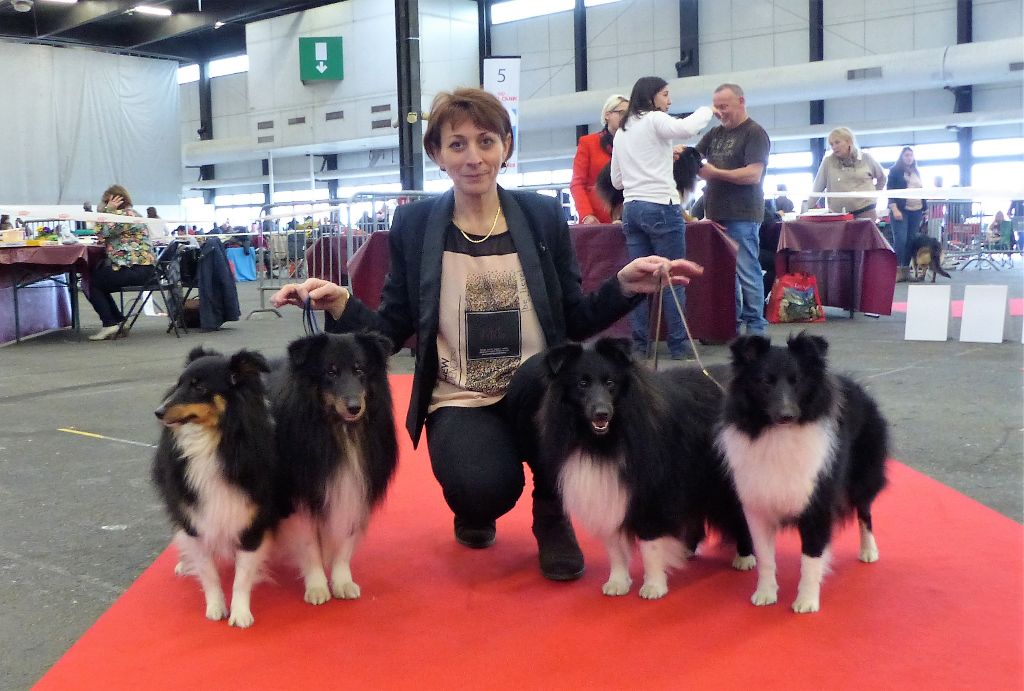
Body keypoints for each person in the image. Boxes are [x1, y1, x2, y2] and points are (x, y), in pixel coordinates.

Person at [271, 87, 703, 582]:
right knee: (480, 489)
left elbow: (573, 319)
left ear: (506, 146)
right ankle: (475, 508)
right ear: (436, 154)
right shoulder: (414, 224)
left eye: (486, 141)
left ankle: (552, 514)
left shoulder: (540, 215)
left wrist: (623, 286)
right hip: (460, 395)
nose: (473, 158)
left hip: (538, 388)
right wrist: (343, 303)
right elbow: (391, 330)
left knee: (549, 383)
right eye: (457, 145)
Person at [610, 76, 713, 359]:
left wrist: (656, 160)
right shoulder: (655, 120)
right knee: (671, 277)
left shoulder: (622, 131)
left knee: (639, 281)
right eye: (666, 95)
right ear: (652, 97)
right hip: (660, 207)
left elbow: (617, 182)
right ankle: (679, 347)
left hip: (631, 209)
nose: (670, 101)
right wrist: (708, 110)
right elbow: (686, 128)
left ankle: (641, 346)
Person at [695, 83, 771, 336]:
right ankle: (731, 325)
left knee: (747, 271)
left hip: (743, 215)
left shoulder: (755, 133)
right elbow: (693, 157)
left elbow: (753, 175)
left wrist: (715, 173)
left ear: (741, 101)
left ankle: (756, 328)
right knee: (726, 275)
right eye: (716, 108)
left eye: (724, 107)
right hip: (715, 216)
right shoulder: (714, 134)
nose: (719, 112)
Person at [84, 184, 157, 341]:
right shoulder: (131, 214)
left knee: (91, 282)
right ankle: (118, 321)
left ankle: (110, 323)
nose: (102, 206)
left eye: (105, 202)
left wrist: (108, 211)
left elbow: (100, 232)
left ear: (114, 200)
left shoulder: (123, 216)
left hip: (138, 270)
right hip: (143, 269)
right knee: (98, 279)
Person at [570, 93, 628, 224]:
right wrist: (586, 214)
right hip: (596, 218)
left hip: (628, 217)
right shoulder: (588, 142)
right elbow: (577, 183)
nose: (626, 118)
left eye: (629, 115)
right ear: (607, 115)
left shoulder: (633, 145)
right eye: (621, 113)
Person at [810, 127, 885, 220]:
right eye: (831, 144)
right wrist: (807, 209)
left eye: (837, 142)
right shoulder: (828, 162)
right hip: (838, 215)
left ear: (849, 141)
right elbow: (817, 187)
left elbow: (882, 178)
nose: (834, 147)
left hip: (866, 211)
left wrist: (873, 196)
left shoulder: (866, 158)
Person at [886, 146, 927, 279]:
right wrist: (894, 208)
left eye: (911, 155)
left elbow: (921, 190)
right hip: (900, 210)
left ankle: (905, 270)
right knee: (900, 240)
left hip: (916, 210)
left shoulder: (917, 172)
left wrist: (925, 209)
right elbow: (890, 190)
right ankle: (895, 270)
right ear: (902, 157)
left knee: (911, 241)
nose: (909, 158)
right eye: (906, 155)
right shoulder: (894, 171)